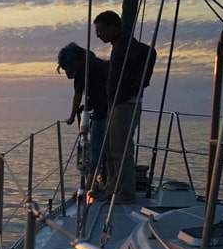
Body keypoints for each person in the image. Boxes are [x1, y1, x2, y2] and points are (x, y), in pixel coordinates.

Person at [93, 10, 155, 203]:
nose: (98, 35)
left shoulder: (126, 43)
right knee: (111, 147)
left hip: (126, 102)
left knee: (121, 147)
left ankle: (126, 193)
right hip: (116, 102)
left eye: (101, 30)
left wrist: (140, 82)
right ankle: (113, 188)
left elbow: (150, 53)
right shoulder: (118, 45)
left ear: (113, 26)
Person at [57, 42, 109, 183]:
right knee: (106, 148)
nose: (68, 71)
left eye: (68, 67)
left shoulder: (85, 69)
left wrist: (72, 116)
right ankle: (104, 180)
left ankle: (91, 184)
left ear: (75, 61)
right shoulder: (96, 64)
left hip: (104, 110)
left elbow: (78, 94)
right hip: (109, 108)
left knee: (96, 146)